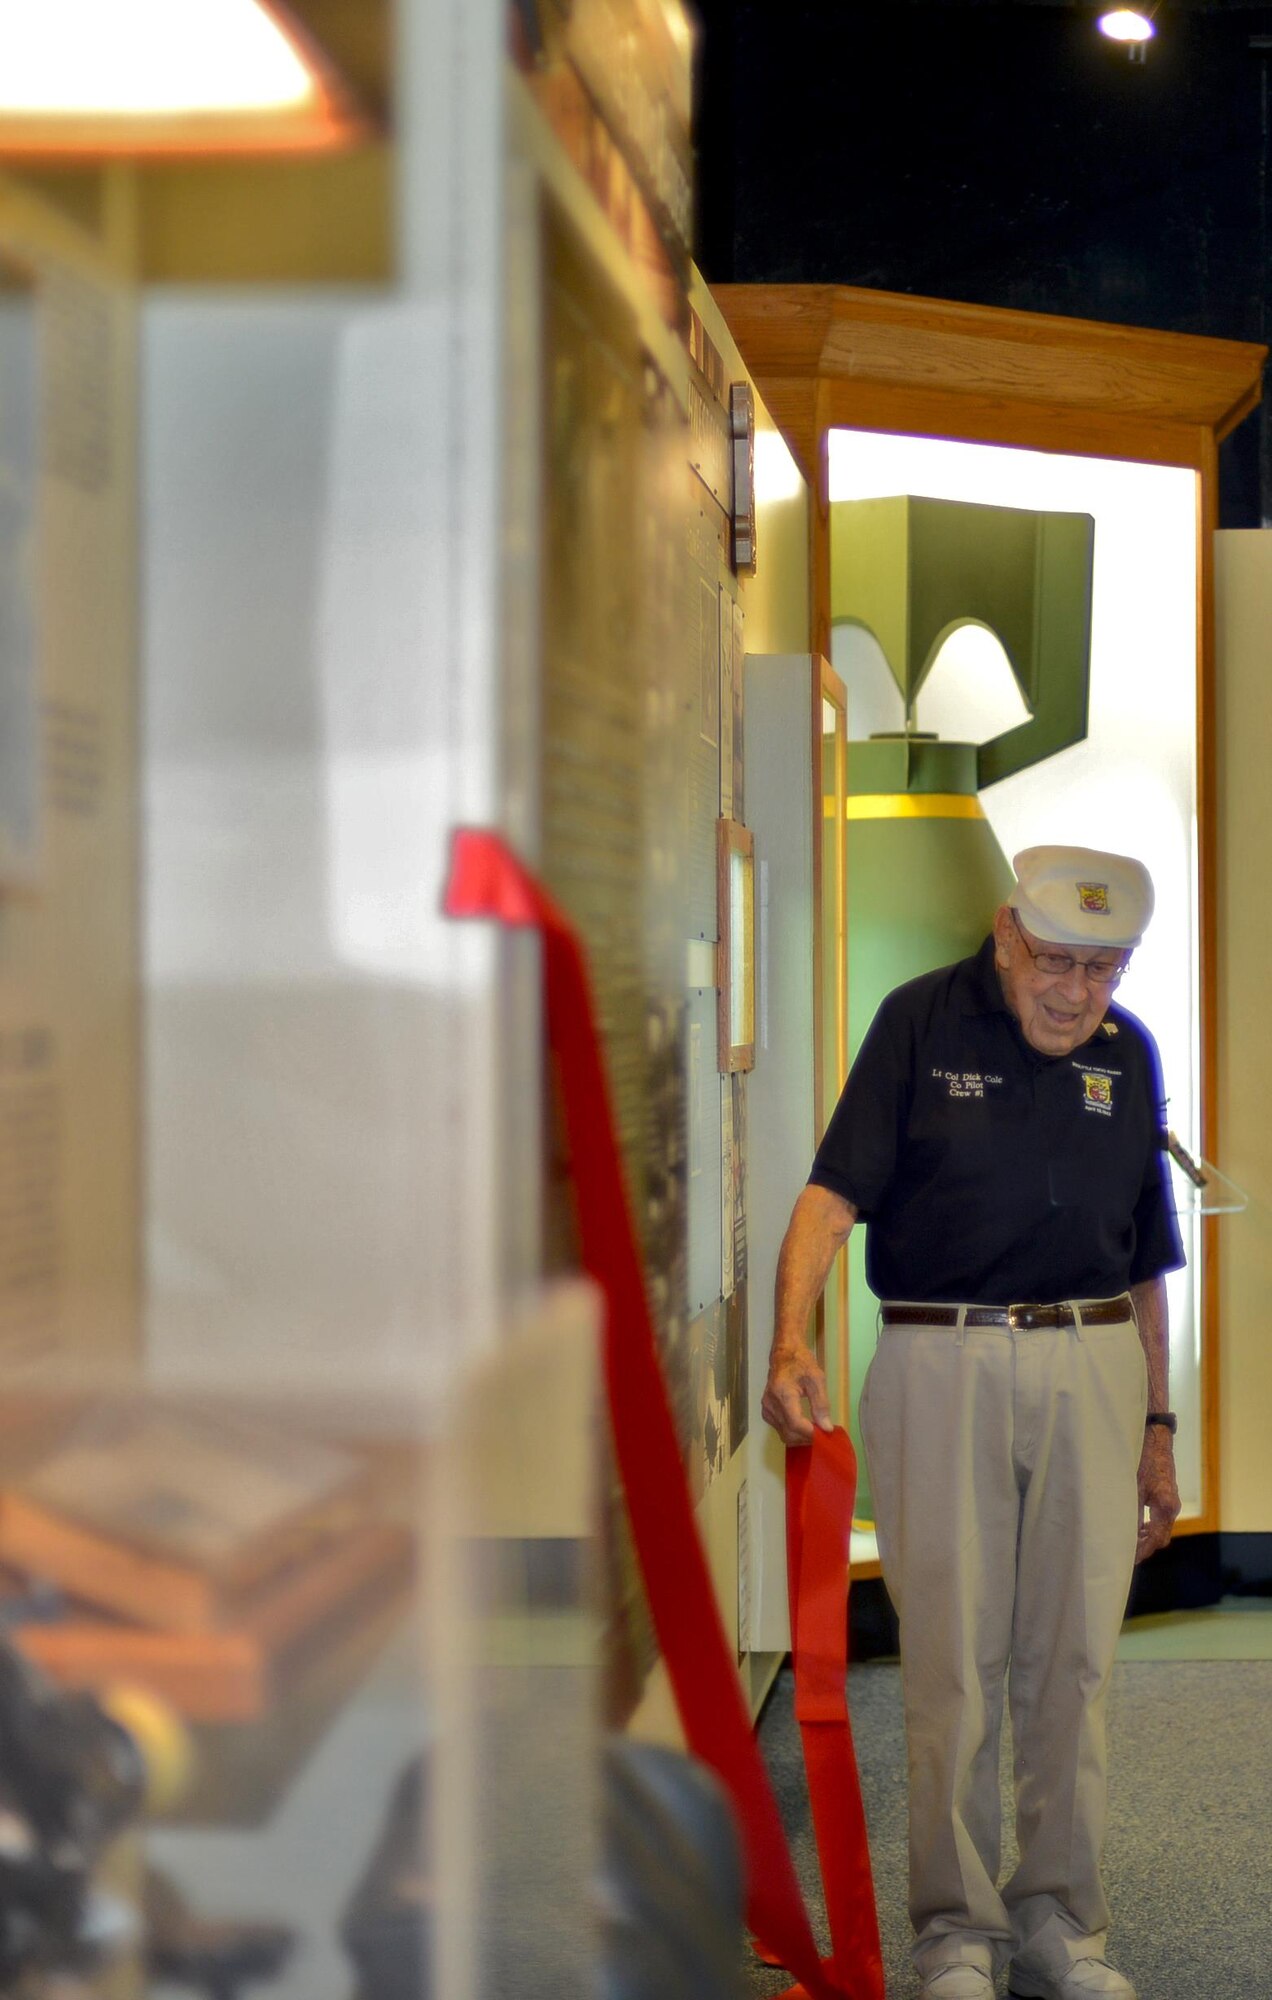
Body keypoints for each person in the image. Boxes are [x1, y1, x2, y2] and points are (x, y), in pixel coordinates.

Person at [761, 846, 1184, 2000]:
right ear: (1005, 934)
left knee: (1076, 1659)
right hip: (939, 1355)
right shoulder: (918, 1021)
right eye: (1056, 959)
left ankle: (1062, 1927)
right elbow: (831, 1192)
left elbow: (1148, 1259)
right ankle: (956, 1932)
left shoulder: (1128, 1050)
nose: (1077, 991)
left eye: (1106, 966)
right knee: (953, 1656)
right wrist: (790, 1335)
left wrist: (1158, 1420)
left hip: (1095, 1359)